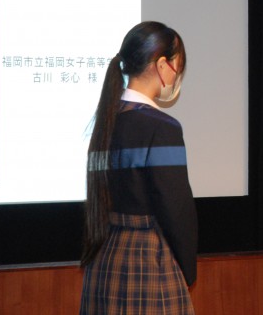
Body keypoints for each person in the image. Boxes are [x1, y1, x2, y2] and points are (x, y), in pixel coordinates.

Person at [80, 21, 198, 314]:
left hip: (105, 261)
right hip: (148, 263)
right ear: (162, 65)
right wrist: (187, 268)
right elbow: (176, 208)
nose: (177, 75)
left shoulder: (104, 122)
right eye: (177, 66)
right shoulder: (162, 127)